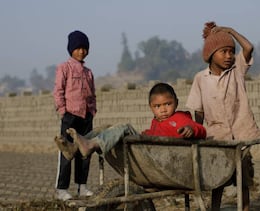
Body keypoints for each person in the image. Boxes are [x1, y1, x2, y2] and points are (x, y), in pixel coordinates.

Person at [186, 21, 260, 211]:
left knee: (243, 179)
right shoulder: (200, 79)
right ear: (211, 55)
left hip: (241, 135)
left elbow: (249, 47)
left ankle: (244, 209)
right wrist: (197, 134)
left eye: (231, 51)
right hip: (216, 137)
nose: (229, 56)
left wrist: (230, 31)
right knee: (217, 179)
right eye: (224, 51)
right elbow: (199, 111)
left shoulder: (237, 71)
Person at [55, 82, 206, 160]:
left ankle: (90, 145)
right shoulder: (156, 122)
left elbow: (200, 129)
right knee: (107, 128)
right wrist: (143, 134)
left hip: (160, 156)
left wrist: (192, 130)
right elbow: (151, 133)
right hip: (149, 147)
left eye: (168, 104)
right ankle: (76, 147)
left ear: (176, 102)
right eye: (158, 106)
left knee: (125, 127)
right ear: (151, 107)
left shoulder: (180, 118)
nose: (163, 110)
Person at [53, 30, 96, 201]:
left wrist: (92, 111)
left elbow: (92, 94)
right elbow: (58, 91)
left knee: (85, 152)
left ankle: (82, 186)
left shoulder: (88, 72)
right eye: (78, 48)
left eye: (84, 48)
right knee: (66, 152)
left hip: (86, 117)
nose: (81, 51)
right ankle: (61, 189)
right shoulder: (64, 68)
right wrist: (63, 111)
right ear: (71, 49)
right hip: (70, 115)